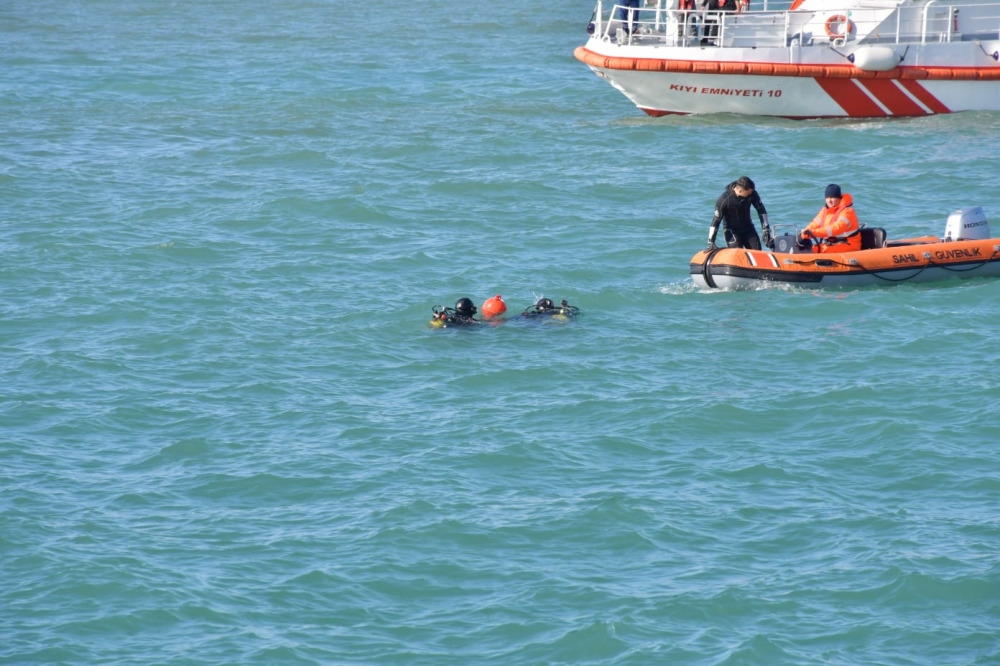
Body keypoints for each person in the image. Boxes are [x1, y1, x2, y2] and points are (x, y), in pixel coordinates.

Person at [706, 176, 771, 251]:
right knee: (739, 254)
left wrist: (766, 230)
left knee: (757, 253)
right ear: (740, 191)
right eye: (749, 192)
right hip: (732, 231)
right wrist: (711, 242)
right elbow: (716, 221)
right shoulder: (724, 199)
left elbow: (761, 211)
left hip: (748, 229)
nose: (751, 193)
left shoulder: (752, 193)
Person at [799, 184, 861, 253]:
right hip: (832, 244)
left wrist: (814, 233)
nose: (829, 200)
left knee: (816, 251)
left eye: (832, 197)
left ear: (839, 198)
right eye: (827, 197)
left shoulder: (847, 212)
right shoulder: (825, 210)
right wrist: (805, 233)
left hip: (848, 245)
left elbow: (835, 229)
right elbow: (814, 223)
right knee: (808, 248)